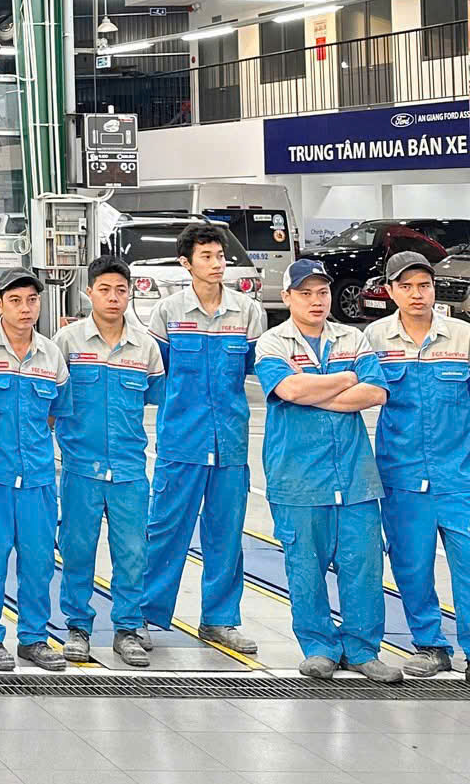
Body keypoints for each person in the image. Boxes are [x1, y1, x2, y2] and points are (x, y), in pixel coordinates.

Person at [254, 259, 397, 682]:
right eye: (305, 293)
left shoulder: (352, 338)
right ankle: (319, 647)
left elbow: (375, 392)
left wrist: (315, 391)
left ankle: (363, 650)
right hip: (297, 478)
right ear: (287, 297)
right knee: (305, 568)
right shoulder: (272, 342)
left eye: (322, 292)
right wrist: (346, 378)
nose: (316, 301)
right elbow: (287, 388)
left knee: (364, 567)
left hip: (354, 478)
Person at [144, 221, 266, 656]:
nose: (217, 264)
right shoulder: (168, 313)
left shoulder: (247, 312)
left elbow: (253, 369)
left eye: (220, 256)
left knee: (226, 535)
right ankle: (144, 616)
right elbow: (156, 374)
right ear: (186, 263)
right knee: (165, 530)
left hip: (230, 442)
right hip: (181, 442)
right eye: (207, 257)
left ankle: (220, 619)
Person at [358, 249, 470, 679]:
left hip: (459, 475)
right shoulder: (374, 339)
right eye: (405, 286)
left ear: (434, 289)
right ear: (390, 291)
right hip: (402, 477)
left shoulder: (462, 337)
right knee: (412, 565)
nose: (416, 294)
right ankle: (430, 645)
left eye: (424, 285)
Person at [52, 257, 164, 667]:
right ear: (89, 293)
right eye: (104, 289)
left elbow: (155, 398)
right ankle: (78, 628)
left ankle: (128, 629)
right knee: (77, 550)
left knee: (133, 552)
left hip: (129, 469)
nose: (113, 297)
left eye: (120, 290)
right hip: (81, 468)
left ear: (130, 293)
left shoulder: (146, 347)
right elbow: (53, 403)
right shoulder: (67, 342)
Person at [0, 270, 70, 672]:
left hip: (38, 478)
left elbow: (57, 412)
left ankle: (34, 638)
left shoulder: (51, 355)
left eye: (32, 300)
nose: (26, 309)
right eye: (16, 300)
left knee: (39, 561)